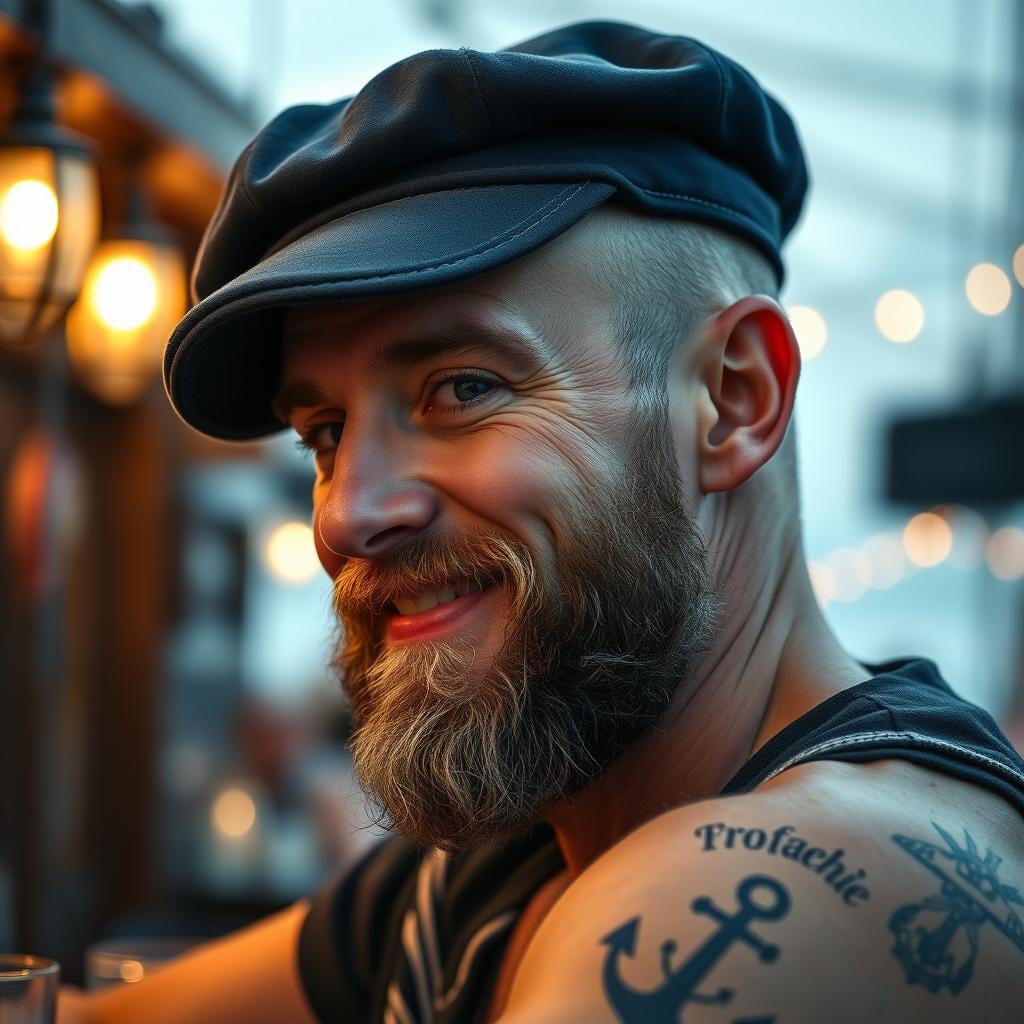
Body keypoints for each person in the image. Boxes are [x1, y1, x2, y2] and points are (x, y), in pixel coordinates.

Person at [61, 20, 1024, 1024]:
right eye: (326, 432)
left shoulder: (778, 897)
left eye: (463, 387)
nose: (349, 512)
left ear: (734, 401)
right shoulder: (501, 868)